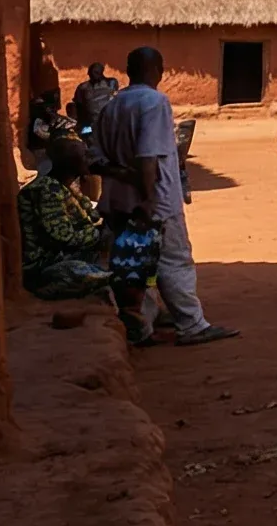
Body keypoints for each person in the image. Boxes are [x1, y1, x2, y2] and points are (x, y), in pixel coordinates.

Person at [94, 47, 238, 346]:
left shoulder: (112, 105)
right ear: (157, 69)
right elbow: (148, 157)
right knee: (174, 260)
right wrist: (148, 198)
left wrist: (124, 179)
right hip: (155, 201)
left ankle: (143, 324)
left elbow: (97, 158)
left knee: (135, 261)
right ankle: (192, 324)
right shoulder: (154, 102)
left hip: (118, 200)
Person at [16, 136, 111, 300]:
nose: (89, 160)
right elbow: (63, 238)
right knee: (95, 274)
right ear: (70, 163)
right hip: (43, 265)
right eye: (84, 156)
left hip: (62, 257)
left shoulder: (64, 186)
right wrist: (98, 233)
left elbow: (92, 214)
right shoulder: (47, 191)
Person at [68, 59, 119, 140]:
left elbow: (115, 98)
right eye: (91, 72)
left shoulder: (111, 83)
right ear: (88, 73)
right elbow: (78, 106)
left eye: (96, 72)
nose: (93, 75)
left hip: (109, 124)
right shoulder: (83, 87)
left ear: (101, 72)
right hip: (90, 126)